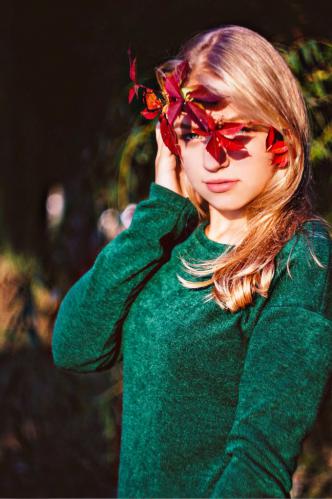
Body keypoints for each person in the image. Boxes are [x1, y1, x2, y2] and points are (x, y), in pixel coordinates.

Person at [52, 25, 332, 498]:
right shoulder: (169, 241)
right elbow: (75, 346)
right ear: (171, 143)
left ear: (281, 135)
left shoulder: (299, 254)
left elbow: (259, 464)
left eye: (237, 131)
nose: (214, 158)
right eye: (192, 133)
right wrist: (159, 213)